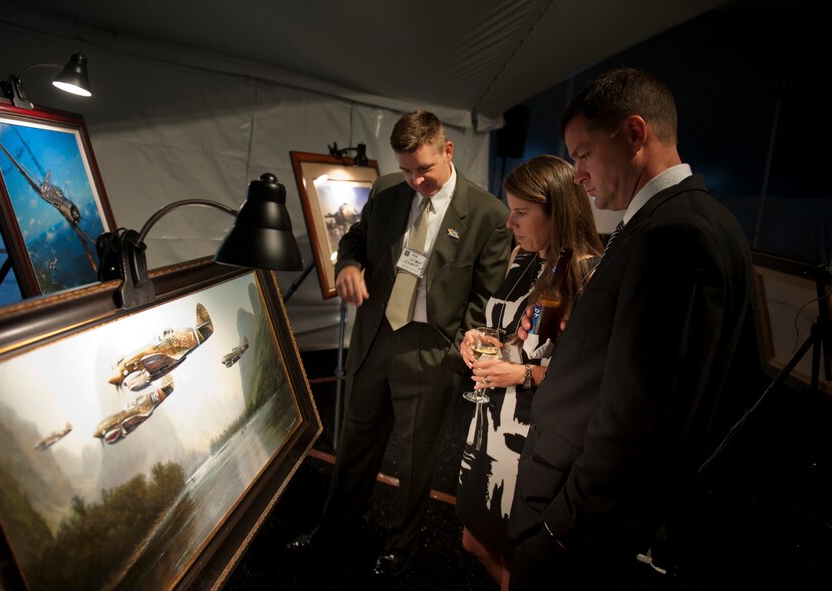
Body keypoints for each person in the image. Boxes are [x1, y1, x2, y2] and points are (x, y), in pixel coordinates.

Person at [507, 67, 757, 589]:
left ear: (635, 135)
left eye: (582, 154)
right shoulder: (665, 223)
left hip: (577, 524)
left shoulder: (677, 235)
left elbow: (637, 427)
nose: (577, 175)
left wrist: (558, 531)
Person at [286, 110, 512, 578]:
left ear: (448, 151)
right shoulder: (388, 189)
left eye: (424, 169)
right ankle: (334, 531)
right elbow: (355, 240)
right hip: (375, 338)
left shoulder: (487, 213)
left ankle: (400, 546)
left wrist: (453, 353)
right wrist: (347, 265)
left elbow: (486, 297)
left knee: (416, 456)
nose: (415, 181)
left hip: (432, 348)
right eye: (407, 170)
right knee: (354, 444)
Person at [456, 154, 603, 590]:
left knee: (518, 554)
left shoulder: (586, 272)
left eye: (521, 213)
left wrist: (519, 375)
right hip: (490, 417)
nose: (510, 225)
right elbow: (513, 332)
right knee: (473, 539)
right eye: (510, 211)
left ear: (558, 209)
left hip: (530, 435)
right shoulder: (524, 256)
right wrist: (479, 338)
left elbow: (587, 380)